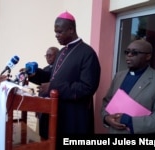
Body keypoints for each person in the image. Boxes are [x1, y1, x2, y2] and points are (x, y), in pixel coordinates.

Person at [29, 11, 101, 140]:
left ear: (71, 30)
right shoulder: (62, 51)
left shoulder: (87, 53)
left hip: (73, 118)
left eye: (59, 32)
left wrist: (53, 86)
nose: (56, 35)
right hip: (57, 114)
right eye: (55, 32)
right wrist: (35, 75)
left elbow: (87, 87)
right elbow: (53, 76)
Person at [101, 39, 155, 134]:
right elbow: (107, 102)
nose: (129, 55)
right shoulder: (119, 76)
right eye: (127, 52)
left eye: (134, 52)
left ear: (148, 56)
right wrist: (106, 118)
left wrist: (128, 121)